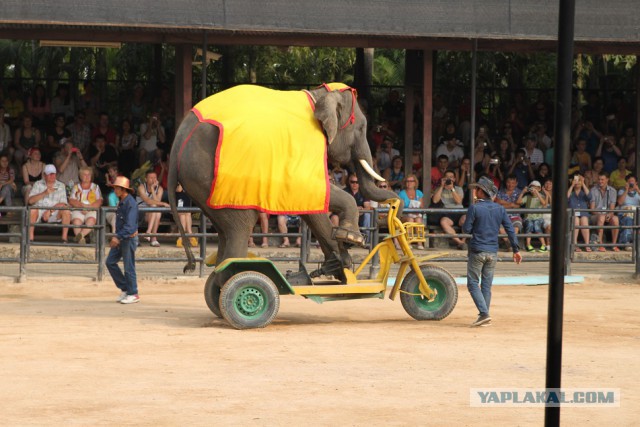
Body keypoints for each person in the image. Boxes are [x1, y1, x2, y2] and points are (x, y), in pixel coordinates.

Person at [463, 176, 522, 327]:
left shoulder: (475, 207)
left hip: (477, 249)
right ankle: (484, 314)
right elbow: (510, 229)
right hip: (492, 250)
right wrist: (516, 250)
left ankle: (484, 313)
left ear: (482, 192)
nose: (475, 191)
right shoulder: (500, 208)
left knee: (473, 283)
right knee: (486, 285)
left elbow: (466, 229)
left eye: (477, 189)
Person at [106, 176, 140, 304]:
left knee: (128, 266)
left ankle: (133, 292)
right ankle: (126, 288)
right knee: (110, 262)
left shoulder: (129, 203)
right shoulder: (124, 201)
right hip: (123, 237)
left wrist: (117, 236)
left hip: (127, 238)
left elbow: (130, 227)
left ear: (122, 189)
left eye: (116, 188)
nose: (115, 190)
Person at [27, 164, 71, 242]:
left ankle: (64, 239)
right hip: (39, 211)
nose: (52, 176)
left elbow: (63, 204)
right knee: (32, 210)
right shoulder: (38, 184)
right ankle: (30, 238)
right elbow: (30, 201)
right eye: (50, 174)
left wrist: (50, 211)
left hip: (55, 212)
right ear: (44, 175)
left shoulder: (61, 185)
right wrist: (44, 193)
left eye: (53, 174)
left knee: (66, 211)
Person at [432, 169, 467, 250]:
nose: (449, 179)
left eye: (451, 177)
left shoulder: (458, 189)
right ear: (443, 178)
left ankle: (463, 240)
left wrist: (452, 189)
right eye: (447, 177)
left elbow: (458, 201)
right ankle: (460, 243)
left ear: (454, 179)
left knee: (466, 219)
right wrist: (441, 186)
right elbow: (435, 200)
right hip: (447, 212)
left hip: (459, 211)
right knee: (443, 222)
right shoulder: (439, 189)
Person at [69, 167, 103, 244]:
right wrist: (81, 206)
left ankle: (80, 235)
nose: (87, 177)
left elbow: (99, 201)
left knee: (91, 220)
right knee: (76, 221)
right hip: (78, 209)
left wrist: (89, 207)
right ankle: (81, 240)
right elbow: (71, 200)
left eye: (89, 175)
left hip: (91, 209)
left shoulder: (95, 187)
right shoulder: (76, 187)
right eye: (84, 175)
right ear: (80, 176)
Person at [136, 170, 169, 247]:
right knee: (155, 208)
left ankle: (150, 233)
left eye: (155, 177)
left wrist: (153, 189)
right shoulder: (141, 187)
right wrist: (163, 203)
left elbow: (156, 201)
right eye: (151, 178)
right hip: (140, 211)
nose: (153, 179)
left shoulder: (159, 188)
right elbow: (148, 201)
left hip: (151, 214)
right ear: (146, 179)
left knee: (156, 211)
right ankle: (153, 237)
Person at [589, 172, 620, 252]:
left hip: (607, 214)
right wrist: (601, 215)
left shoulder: (613, 191)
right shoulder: (593, 190)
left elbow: (612, 208)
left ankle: (614, 244)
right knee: (601, 217)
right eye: (599, 179)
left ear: (607, 180)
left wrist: (610, 214)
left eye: (602, 179)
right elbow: (592, 209)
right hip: (595, 216)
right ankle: (600, 244)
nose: (600, 181)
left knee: (615, 219)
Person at [516, 180, 548, 252]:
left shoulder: (542, 196)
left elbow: (544, 204)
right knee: (529, 226)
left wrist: (537, 193)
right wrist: (523, 192)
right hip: (528, 217)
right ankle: (528, 245)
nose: (534, 190)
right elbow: (518, 202)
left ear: (539, 189)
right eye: (532, 188)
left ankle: (544, 245)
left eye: (536, 188)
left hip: (538, 218)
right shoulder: (527, 197)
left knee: (537, 226)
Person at [495, 174, 523, 247]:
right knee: (499, 226)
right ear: (505, 182)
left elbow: (518, 205)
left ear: (516, 183)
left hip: (515, 216)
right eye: (508, 182)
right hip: (503, 216)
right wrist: (511, 204)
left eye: (513, 183)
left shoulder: (520, 192)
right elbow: (497, 202)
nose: (510, 185)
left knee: (516, 227)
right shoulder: (500, 192)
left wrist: (504, 204)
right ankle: (510, 243)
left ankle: (509, 243)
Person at [398, 174, 424, 249]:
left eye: (411, 181)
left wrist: (416, 209)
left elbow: (422, 206)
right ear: (405, 183)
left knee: (418, 219)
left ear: (415, 183)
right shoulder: (402, 193)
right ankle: (409, 241)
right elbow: (400, 207)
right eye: (407, 181)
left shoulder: (419, 193)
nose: (409, 183)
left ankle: (420, 243)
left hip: (416, 214)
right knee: (410, 220)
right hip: (404, 215)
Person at [568, 173, 592, 252]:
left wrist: (583, 183)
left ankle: (587, 244)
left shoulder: (583, 191)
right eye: (576, 180)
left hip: (583, 213)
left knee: (584, 220)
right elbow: (566, 198)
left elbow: (589, 196)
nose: (577, 182)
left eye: (579, 180)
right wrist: (571, 186)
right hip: (572, 214)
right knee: (576, 221)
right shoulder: (570, 191)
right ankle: (575, 244)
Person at [616, 174, 640, 250]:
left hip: (637, 214)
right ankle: (626, 243)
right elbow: (619, 202)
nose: (631, 183)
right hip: (624, 214)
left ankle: (637, 243)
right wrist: (626, 190)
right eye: (629, 181)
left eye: (632, 181)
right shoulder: (622, 191)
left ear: (636, 183)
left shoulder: (638, 192)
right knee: (628, 220)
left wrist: (638, 190)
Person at [175, 183, 198, 248]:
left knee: (187, 214)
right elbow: (179, 190)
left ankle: (190, 234)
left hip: (186, 208)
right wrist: (181, 182)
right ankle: (181, 237)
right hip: (177, 209)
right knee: (182, 215)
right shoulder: (176, 183)